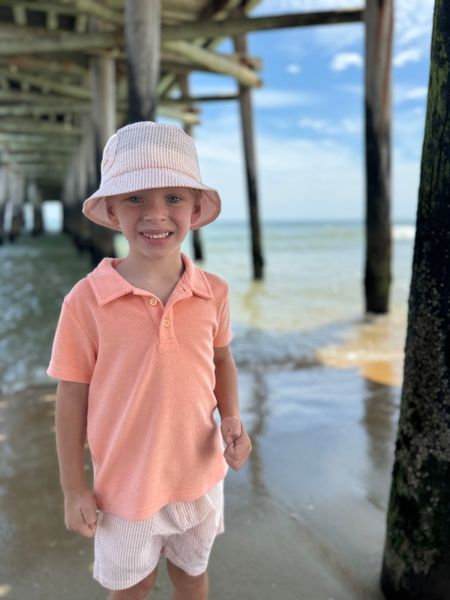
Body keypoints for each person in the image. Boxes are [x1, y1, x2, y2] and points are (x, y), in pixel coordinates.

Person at [47, 121, 252, 600]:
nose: (155, 214)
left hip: (199, 478)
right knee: (131, 588)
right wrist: (74, 487)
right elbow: (71, 396)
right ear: (112, 210)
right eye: (135, 198)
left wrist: (234, 418)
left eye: (174, 198)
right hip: (124, 487)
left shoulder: (213, 291)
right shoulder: (86, 301)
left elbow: (221, 361)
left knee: (192, 576)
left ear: (197, 208)